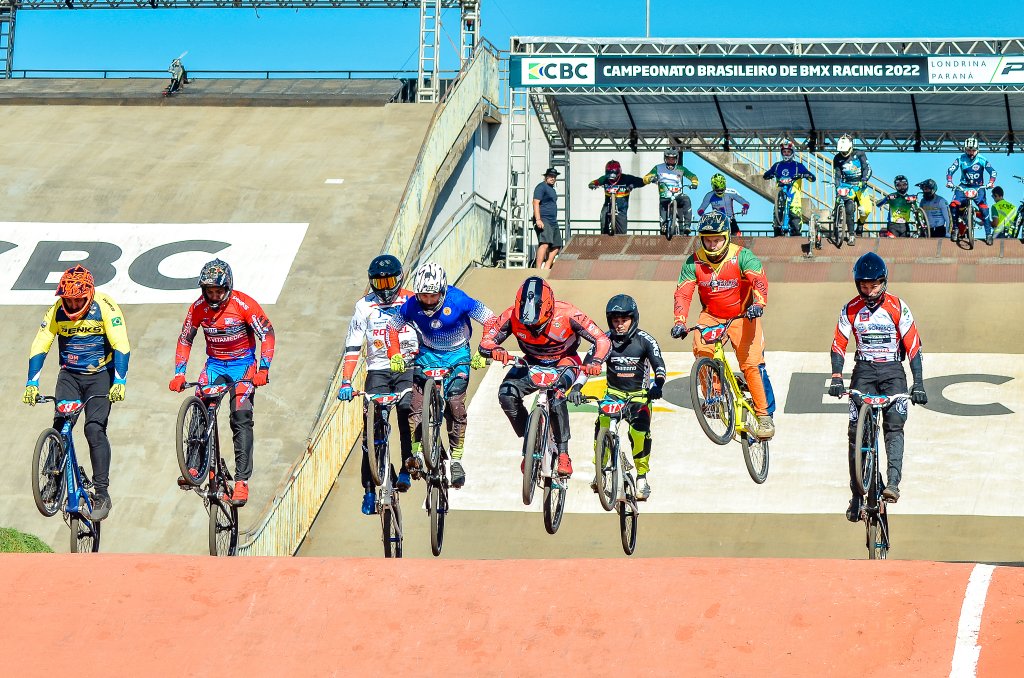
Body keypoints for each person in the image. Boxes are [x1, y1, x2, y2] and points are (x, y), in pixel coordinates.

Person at [23, 265, 131, 522]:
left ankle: (102, 493)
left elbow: (121, 344)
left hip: (100, 376)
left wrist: (120, 381)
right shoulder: (56, 310)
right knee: (61, 426)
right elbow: (41, 343)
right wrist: (31, 383)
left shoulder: (105, 306)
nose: (72, 304)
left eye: (77, 300)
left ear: (89, 294)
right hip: (70, 376)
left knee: (94, 430)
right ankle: (54, 481)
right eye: (68, 299)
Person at [828, 252, 927, 522]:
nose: (869, 291)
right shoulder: (850, 309)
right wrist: (836, 377)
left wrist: (918, 383)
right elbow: (838, 344)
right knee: (854, 433)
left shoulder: (898, 306)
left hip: (893, 370)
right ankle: (856, 495)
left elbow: (914, 345)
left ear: (884, 282)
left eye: (874, 286)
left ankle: (893, 483)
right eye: (864, 286)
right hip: (864, 370)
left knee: (894, 424)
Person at [169, 259, 275, 507]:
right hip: (215, 365)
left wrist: (263, 369)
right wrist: (179, 373)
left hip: (243, 366)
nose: (214, 296)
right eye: (209, 291)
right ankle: (194, 466)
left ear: (228, 287)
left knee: (240, 417)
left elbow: (267, 334)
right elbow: (185, 339)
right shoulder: (198, 308)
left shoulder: (243, 304)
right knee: (199, 407)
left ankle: (241, 481)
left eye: (218, 291)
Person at [478, 276, 609, 478]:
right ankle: (530, 441)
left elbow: (602, 339)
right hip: (531, 361)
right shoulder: (511, 315)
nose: (533, 329)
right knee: (506, 394)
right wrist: (496, 349)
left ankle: (564, 453)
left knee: (556, 395)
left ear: (549, 309)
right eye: (527, 325)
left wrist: (596, 361)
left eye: (538, 324)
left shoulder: (568, 313)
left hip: (565, 361)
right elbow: (486, 341)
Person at [385, 262, 493, 489]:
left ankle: (456, 460)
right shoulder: (411, 305)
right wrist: (394, 354)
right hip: (428, 353)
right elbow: (392, 327)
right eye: (423, 296)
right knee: (415, 406)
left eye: (433, 296)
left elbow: (491, 319)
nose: (428, 301)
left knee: (455, 404)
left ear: (443, 290)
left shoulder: (458, 299)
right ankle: (415, 454)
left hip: (457, 354)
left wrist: (484, 350)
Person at [670, 212, 776, 439]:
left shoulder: (742, 256)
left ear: (727, 237)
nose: (712, 245)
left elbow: (759, 279)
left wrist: (759, 303)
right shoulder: (693, 262)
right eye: (707, 240)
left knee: (752, 364)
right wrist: (679, 321)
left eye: (717, 240)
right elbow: (683, 294)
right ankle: (714, 398)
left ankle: (764, 415)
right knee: (702, 351)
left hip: (743, 315)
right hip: (711, 315)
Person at [338, 254, 419, 515]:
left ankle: (406, 468)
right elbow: (353, 346)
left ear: (400, 279)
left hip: (407, 366)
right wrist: (346, 381)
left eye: (389, 282)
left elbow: (426, 332)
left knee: (406, 411)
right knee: (370, 432)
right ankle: (369, 491)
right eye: (379, 283)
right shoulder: (363, 306)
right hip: (378, 371)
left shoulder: (411, 300)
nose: (384, 288)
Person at [568, 294, 665, 500]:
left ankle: (642, 477)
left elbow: (659, 367)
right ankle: (600, 471)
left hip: (639, 397)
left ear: (633, 318)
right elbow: (587, 367)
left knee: (639, 433)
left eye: (624, 320)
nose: (619, 325)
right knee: (602, 426)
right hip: (613, 395)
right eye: (615, 320)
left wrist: (658, 385)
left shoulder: (646, 340)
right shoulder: (603, 341)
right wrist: (576, 388)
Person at [947, 136, 997, 246]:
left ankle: (988, 234)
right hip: (963, 187)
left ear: (977, 150)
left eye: (973, 150)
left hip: (978, 188)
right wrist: (949, 181)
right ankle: (955, 228)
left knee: (984, 209)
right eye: (968, 150)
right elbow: (950, 170)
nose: (971, 153)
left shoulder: (982, 159)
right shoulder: (960, 159)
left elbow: (993, 172)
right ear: (965, 150)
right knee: (953, 205)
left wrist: (991, 182)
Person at [762, 140, 816, 237]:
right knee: (777, 215)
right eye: (784, 151)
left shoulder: (798, 165)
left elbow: (812, 178)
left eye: (788, 151)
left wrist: (806, 175)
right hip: (780, 196)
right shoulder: (777, 165)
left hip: (794, 197)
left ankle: (795, 235)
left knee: (795, 217)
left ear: (792, 152)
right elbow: (767, 174)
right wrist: (769, 175)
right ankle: (777, 232)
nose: (786, 153)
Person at [643, 147, 699, 236]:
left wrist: (694, 183)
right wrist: (651, 178)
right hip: (664, 196)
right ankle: (664, 226)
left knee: (686, 199)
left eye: (673, 159)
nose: (670, 161)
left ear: (676, 159)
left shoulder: (681, 169)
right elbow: (645, 178)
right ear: (665, 158)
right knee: (663, 227)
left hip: (678, 195)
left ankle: (687, 225)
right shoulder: (658, 168)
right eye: (668, 159)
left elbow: (692, 176)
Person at [832, 134, 873, 245]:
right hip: (846, 185)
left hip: (860, 185)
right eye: (842, 151)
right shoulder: (837, 158)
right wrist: (838, 187)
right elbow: (837, 175)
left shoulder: (860, 154)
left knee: (866, 210)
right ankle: (851, 235)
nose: (844, 153)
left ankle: (860, 223)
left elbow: (867, 168)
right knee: (849, 209)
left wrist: (864, 179)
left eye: (846, 151)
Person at [588, 160, 647, 235]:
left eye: (614, 175)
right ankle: (604, 236)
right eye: (609, 175)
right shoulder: (604, 179)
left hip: (622, 208)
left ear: (619, 172)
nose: (612, 178)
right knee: (603, 219)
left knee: (622, 232)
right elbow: (595, 182)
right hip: (607, 205)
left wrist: (632, 185)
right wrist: (593, 185)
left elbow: (642, 181)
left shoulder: (626, 178)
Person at [532, 167, 562, 270]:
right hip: (543, 219)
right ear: (546, 177)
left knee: (557, 245)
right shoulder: (541, 187)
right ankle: (538, 269)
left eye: (554, 176)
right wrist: (538, 219)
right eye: (550, 176)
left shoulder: (552, 189)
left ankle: (547, 266)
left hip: (553, 221)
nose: (553, 178)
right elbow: (535, 202)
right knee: (544, 243)